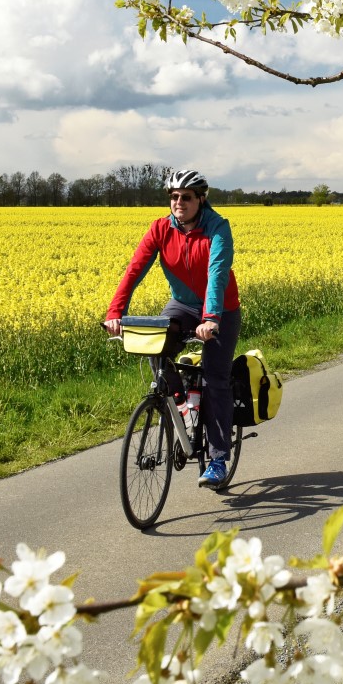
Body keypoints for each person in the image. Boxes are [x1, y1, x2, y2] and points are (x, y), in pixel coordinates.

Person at [103, 170, 242, 487]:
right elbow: (135, 269)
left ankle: (218, 459)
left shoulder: (217, 228)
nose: (179, 202)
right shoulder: (161, 228)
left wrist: (211, 319)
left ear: (200, 200)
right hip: (181, 304)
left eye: (187, 197)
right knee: (155, 347)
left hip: (221, 309)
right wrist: (116, 312)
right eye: (174, 197)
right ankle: (184, 404)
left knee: (216, 378)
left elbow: (217, 274)